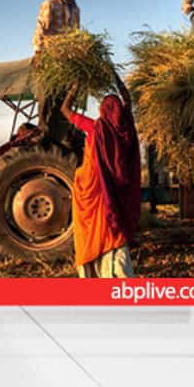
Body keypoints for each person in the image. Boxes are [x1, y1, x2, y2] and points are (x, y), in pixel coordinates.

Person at [61, 74, 141, 278]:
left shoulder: (96, 127)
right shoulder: (127, 127)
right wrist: (115, 78)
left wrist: (76, 84)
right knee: (114, 230)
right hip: (116, 192)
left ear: (102, 110)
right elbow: (128, 100)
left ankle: (93, 274)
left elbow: (65, 110)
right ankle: (117, 274)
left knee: (92, 229)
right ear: (121, 111)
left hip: (92, 188)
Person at [32, 0, 80, 141]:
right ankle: (42, 129)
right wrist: (38, 53)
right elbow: (40, 29)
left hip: (66, 59)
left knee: (64, 95)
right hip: (50, 56)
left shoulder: (75, 9)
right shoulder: (50, 5)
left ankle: (60, 132)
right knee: (46, 93)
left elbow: (76, 34)